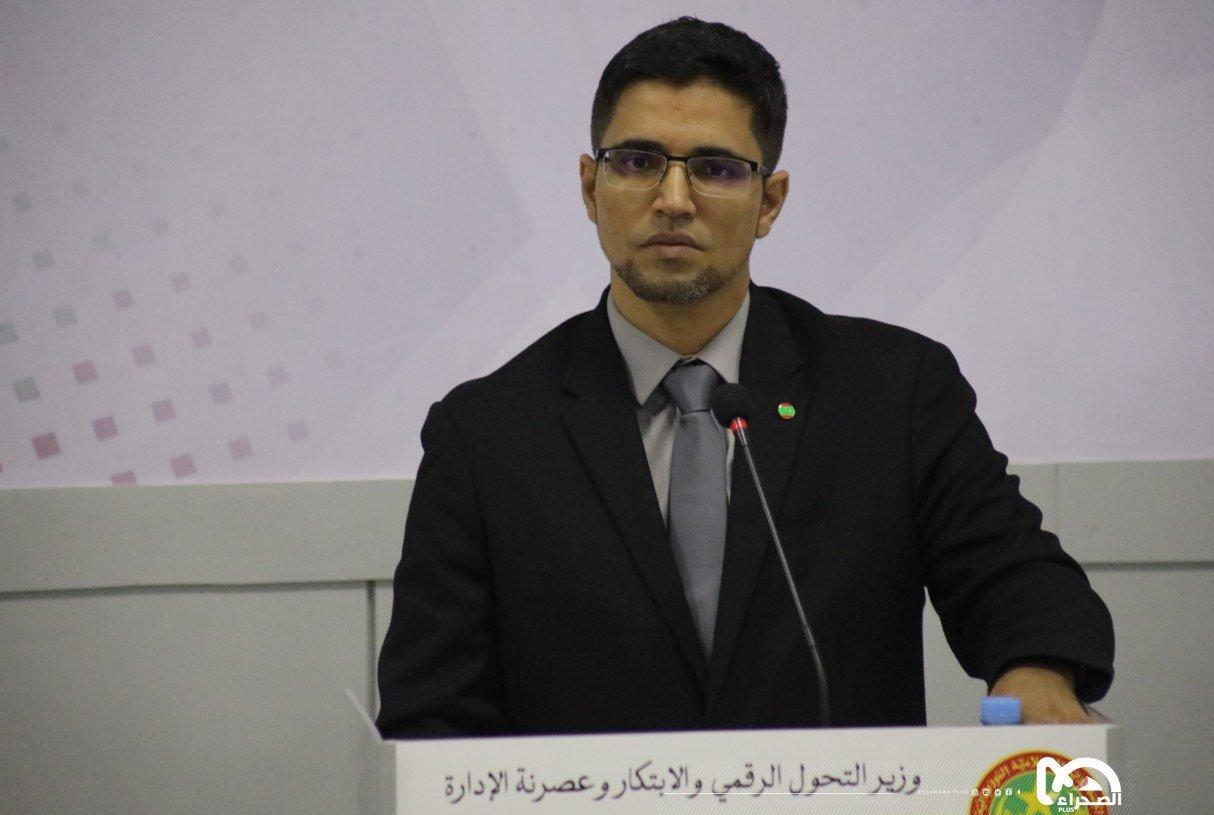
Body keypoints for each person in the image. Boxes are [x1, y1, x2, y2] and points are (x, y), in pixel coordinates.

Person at [376, 17, 1113, 738]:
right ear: (590, 187)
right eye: (637, 162)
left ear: (770, 202)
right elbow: (431, 716)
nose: (673, 200)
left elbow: (1018, 579)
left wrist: (1036, 669)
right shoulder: (487, 435)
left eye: (716, 169)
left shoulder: (893, 392)